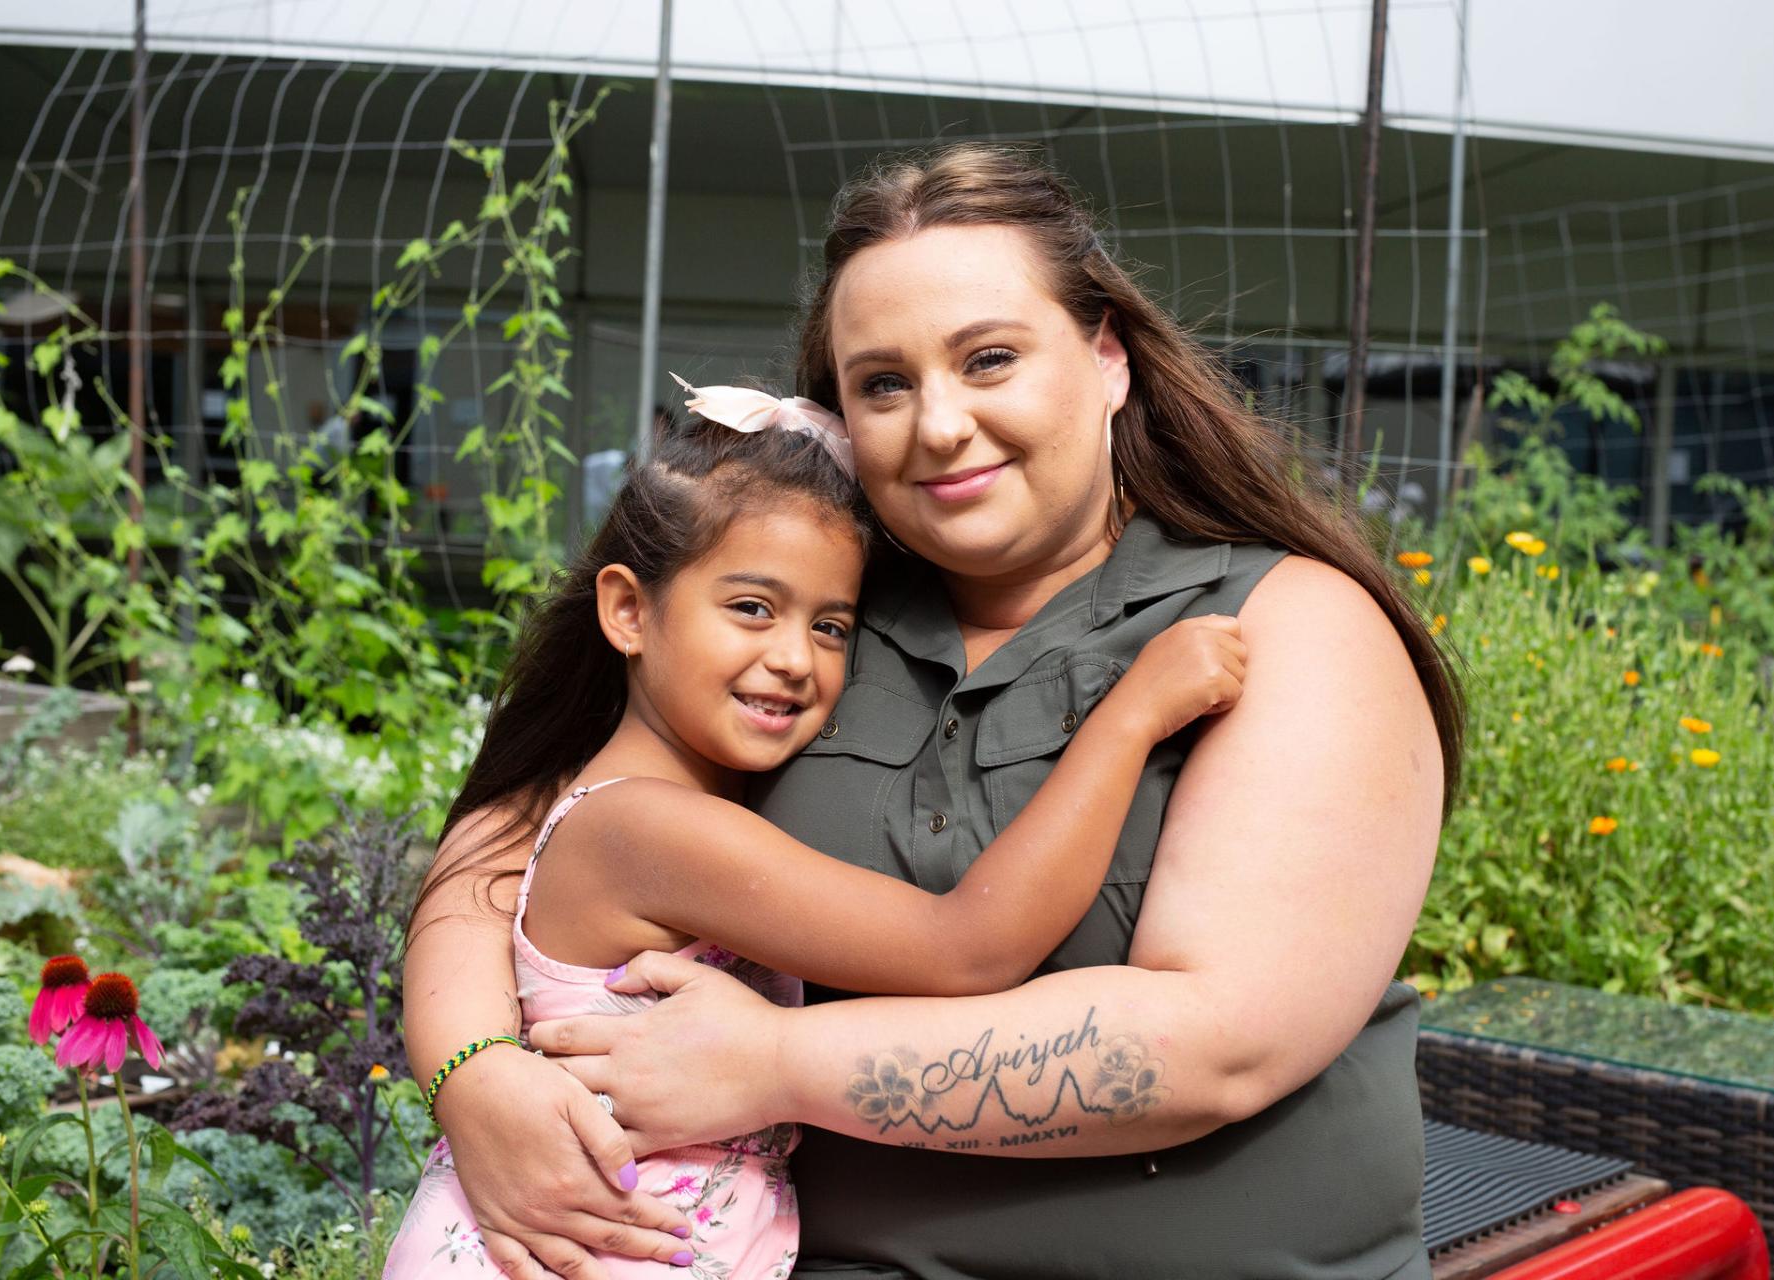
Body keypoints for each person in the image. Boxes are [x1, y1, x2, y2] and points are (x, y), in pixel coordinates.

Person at [405, 143, 1463, 1280]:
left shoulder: (1278, 623)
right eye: (885, 383)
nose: (941, 423)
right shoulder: (811, 615)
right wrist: (477, 1072)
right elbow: (521, 835)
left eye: (990, 358)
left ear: (1108, 356)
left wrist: (777, 1061)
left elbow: (1215, 1046)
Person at [390, 405, 1249, 1276]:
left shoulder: (634, 805)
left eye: (830, 626)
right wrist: (1131, 718)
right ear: (627, 611)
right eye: (752, 608)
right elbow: (968, 947)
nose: (796, 658)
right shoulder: (650, 828)